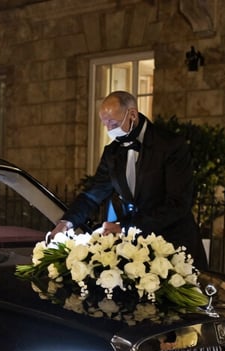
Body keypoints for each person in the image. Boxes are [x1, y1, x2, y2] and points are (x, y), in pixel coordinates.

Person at [50, 91, 208, 270]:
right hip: (136, 253)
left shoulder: (170, 145)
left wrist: (124, 227)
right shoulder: (112, 152)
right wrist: (66, 223)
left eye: (113, 123)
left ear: (132, 114)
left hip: (175, 243)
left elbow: (178, 204)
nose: (109, 130)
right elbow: (92, 195)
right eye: (105, 124)